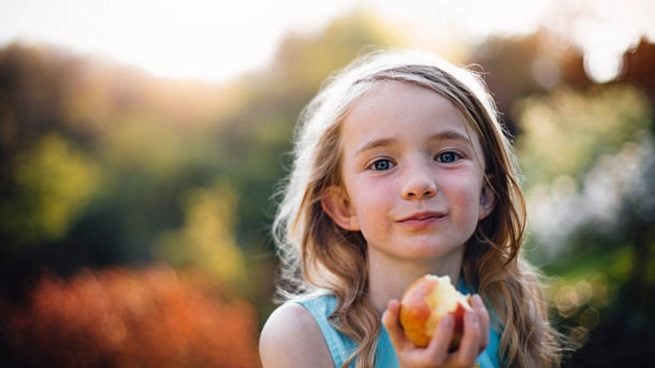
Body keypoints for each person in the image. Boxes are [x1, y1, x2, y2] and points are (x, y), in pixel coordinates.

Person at [259, 49, 561, 368]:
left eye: (447, 156)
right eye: (382, 163)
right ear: (343, 206)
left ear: (486, 193)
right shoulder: (300, 334)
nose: (418, 184)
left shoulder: (508, 314)